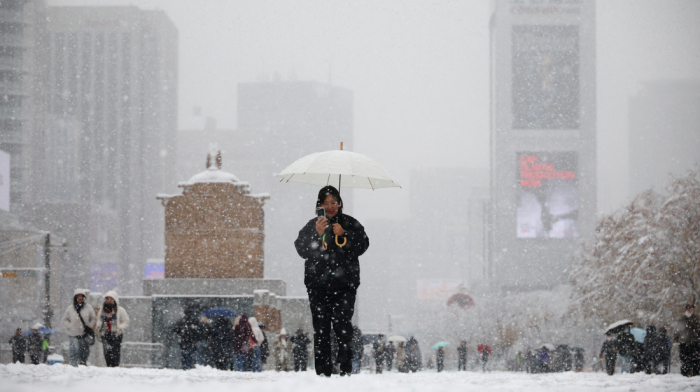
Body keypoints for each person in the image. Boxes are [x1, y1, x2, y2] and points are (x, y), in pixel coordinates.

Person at [294, 186, 370, 377]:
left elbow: (363, 245)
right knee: (321, 329)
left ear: (340, 203)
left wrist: (344, 235)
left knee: (343, 327)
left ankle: (345, 369)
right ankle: (323, 372)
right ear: (319, 205)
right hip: (318, 286)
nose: (330, 206)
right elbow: (301, 249)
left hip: (345, 286)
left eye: (333, 202)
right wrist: (316, 235)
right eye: (325, 203)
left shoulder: (350, 223)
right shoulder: (313, 225)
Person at [94, 291, 130, 367]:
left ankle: (115, 367)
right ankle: (109, 367)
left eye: (111, 299)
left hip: (116, 334)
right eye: (107, 298)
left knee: (115, 353)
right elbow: (98, 319)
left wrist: (119, 327)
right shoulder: (102, 309)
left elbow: (126, 321)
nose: (109, 300)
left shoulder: (120, 310)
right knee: (107, 353)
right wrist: (99, 326)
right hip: (105, 333)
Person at [62, 288, 95, 366]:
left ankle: (82, 366)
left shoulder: (88, 307)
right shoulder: (70, 308)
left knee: (84, 352)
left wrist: (89, 326)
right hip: (73, 334)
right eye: (78, 296)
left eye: (81, 296)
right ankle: (73, 367)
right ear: (75, 298)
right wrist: (70, 326)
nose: (80, 298)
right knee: (74, 351)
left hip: (84, 334)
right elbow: (65, 319)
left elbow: (93, 318)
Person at [674, 303, 700, 377]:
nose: (690, 310)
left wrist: (691, 320)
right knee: (685, 362)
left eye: (692, 309)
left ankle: (695, 376)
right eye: (689, 309)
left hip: (695, 344)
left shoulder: (696, 319)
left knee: (696, 362)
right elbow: (677, 331)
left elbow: (698, 330)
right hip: (684, 344)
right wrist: (675, 340)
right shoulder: (682, 320)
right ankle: (685, 376)